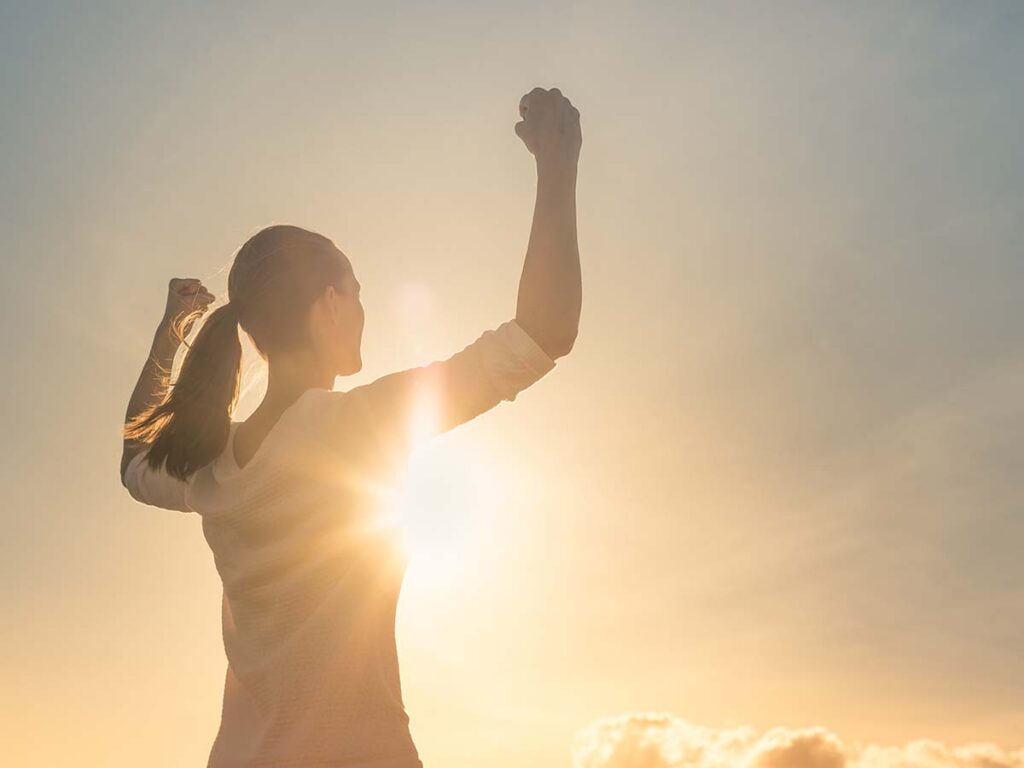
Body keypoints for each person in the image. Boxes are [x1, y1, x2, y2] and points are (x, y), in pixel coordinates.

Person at [119, 87, 582, 768]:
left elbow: (134, 461)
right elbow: (543, 334)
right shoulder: (357, 426)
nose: (364, 309)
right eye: (358, 292)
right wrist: (559, 166)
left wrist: (171, 330)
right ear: (330, 305)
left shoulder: (211, 466)